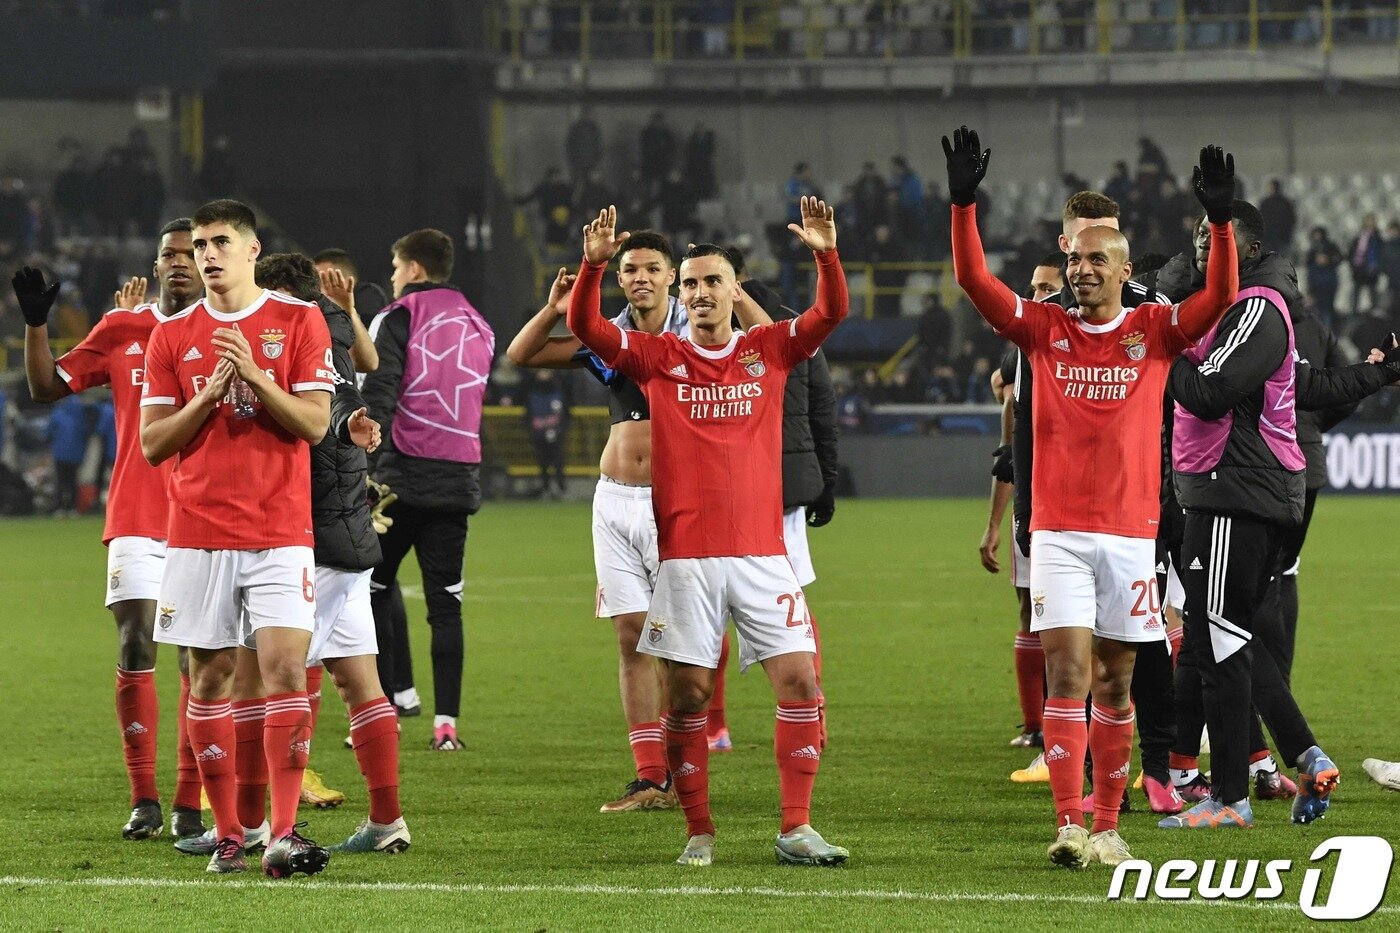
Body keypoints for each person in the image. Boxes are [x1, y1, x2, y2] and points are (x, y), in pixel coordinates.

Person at [946, 126, 1239, 868]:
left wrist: (1223, 223)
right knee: (1069, 673)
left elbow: (1223, 294)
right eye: (1073, 259)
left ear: (1124, 267)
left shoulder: (1155, 329)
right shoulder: (1044, 330)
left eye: (1093, 259)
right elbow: (976, 284)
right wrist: (962, 204)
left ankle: (1109, 823)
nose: (1078, 269)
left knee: (1116, 678)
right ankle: (1071, 821)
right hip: (1062, 536)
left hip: (1132, 534)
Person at [568, 201, 850, 867]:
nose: (697, 292)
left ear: (734, 290)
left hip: (762, 555)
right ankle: (698, 830)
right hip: (687, 561)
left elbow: (830, 314)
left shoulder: (768, 350)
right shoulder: (659, 357)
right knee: (689, 696)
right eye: (688, 283)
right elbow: (582, 325)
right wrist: (592, 266)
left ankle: (796, 827)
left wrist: (826, 255)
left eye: (709, 281)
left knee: (802, 684)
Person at [1156, 201, 1373, 830]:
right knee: (1224, 640)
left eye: (1212, 235)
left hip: (1234, 494)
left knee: (1218, 644)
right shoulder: (1242, 310)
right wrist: (1374, 375)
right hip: (1236, 490)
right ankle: (1307, 757)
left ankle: (1228, 798)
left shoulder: (1255, 309)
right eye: (1195, 234)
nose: (1200, 244)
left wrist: (1151, 347)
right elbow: (1303, 386)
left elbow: (1208, 391)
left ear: (1244, 250)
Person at [509, 229, 742, 813]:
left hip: (678, 499)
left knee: (676, 643)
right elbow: (522, 355)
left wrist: (732, 294)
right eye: (629, 269)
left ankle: (680, 764)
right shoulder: (605, 335)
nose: (639, 277)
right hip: (614, 498)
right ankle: (648, 776)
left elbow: (764, 349)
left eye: (652, 269)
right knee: (630, 635)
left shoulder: (700, 333)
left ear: (672, 277)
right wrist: (555, 306)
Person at [139, 199, 334, 876]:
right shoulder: (173, 335)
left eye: (221, 241)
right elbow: (153, 443)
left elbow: (313, 424)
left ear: (253, 249)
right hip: (198, 533)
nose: (208, 254)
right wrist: (207, 397)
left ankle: (281, 831)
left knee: (283, 668)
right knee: (210, 674)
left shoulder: (298, 319)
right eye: (199, 245)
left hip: (281, 529)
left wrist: (254, 374)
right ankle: (229, 835)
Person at [15, 222, 207, 842]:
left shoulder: (228, 331)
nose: (178, 263)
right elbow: (47, 387)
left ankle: (187, 800)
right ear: (154, 265)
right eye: (169, 255)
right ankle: (144, 799)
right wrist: (36, 324)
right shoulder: (123, 330)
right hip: (138, 514)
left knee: (200, 663)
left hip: (209, 517)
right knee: (136, 641)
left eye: (191, 253)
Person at [253, 253, 408, 854]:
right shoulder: (335, 336)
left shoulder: (291, 338)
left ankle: (262, 823)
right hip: (350, 536)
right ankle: (387, 820)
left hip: (309, 538)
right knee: (358, 682)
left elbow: (323, 417)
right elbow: (351, 388)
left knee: (271, 680)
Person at [361, 228, 494, 752]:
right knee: (446, 607)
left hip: (397, 482)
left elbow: (381, 392)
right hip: (457, 482)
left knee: (372, 591)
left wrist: (366, 470)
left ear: (413, 268)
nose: (394, 278)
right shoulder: (479, 323)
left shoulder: (397, 316)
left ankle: (386, 708)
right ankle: (446, 727)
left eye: (396, 267)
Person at [706, 254, 840, 754]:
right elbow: (823, 413)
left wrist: (823, 482)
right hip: (784, 491)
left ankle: (717, 724)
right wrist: (826, 481)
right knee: (793, 606)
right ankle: (814, 714)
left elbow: (820, 411)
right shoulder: (796, 339)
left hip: (765, 493)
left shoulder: (750, 345)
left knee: (714, 610)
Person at [980, 253, 1063, 760]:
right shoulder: (1021, 349)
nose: (1037, 298)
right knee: (1034, 611)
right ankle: (1040, 727)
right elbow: (1010, 453)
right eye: (1033, 288)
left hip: (1083, 505)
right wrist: (994, 523)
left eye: (1048, 290)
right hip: (1037, 504)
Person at [1349, 213, 1382, 314]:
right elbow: (1352, 254)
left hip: (1372, 271)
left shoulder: (1377, 239)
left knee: (1373, 296)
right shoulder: (1359, 238)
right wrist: (1354, 267)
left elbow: (1380, 254)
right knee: (1356, 297)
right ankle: (1353, 317)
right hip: (1359, 271)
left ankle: (1374, 317)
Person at [1259, 179, 1296, 257]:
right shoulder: (1266, 202)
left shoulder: (1284, 203)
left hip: (1279, 237)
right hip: (1270, 237)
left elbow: (1291, 220)